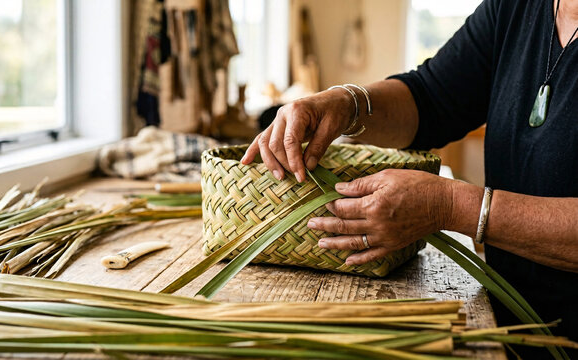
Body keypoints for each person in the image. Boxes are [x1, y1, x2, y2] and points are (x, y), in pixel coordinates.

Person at [241, 0, 578, 357]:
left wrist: (450, 205)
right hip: (511, 322)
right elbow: (430, 98)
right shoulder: (515, 8)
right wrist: (347, 103)